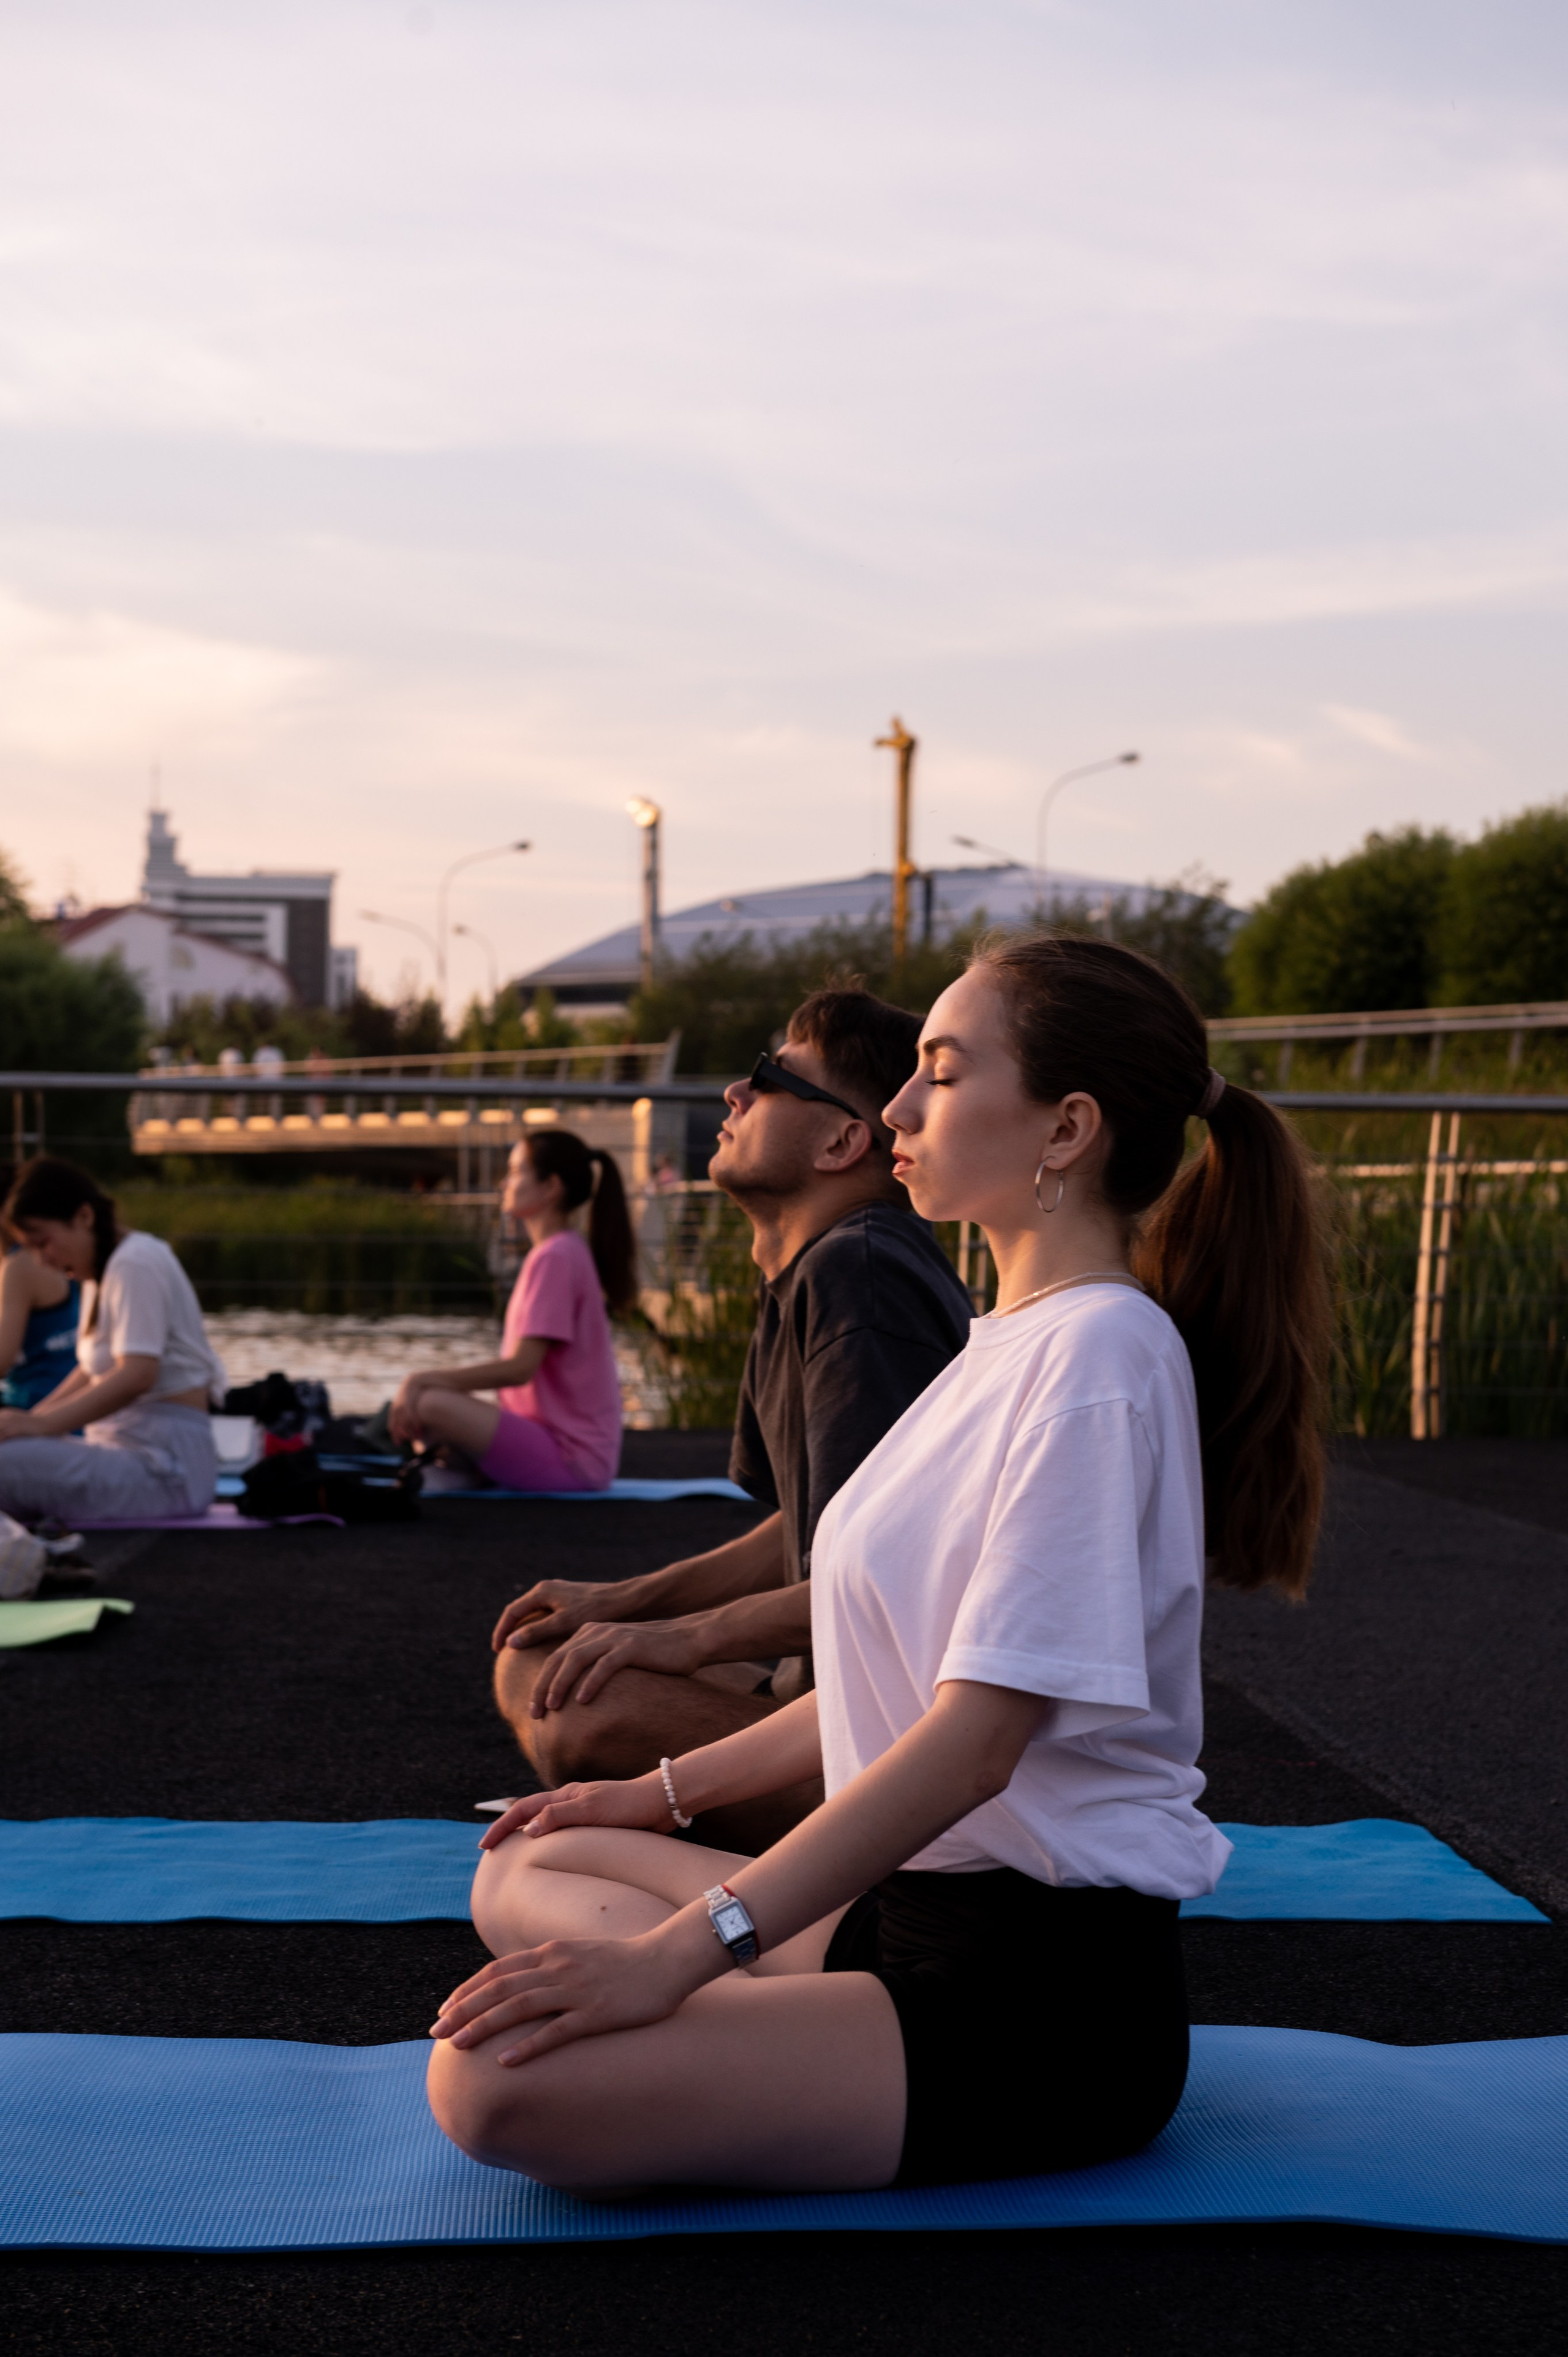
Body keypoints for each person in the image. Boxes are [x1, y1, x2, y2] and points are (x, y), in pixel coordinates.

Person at [426, 933, 1330, 2196]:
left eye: (942, 1075)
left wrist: (679, 1955)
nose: (898, 1107)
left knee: (491, 2081)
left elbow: (971, 1744)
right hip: (899, 1914)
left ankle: (771, 2026)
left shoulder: (1096, 1362)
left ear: (1065, 1129)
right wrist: (650, 1795)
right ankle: (765, 2011)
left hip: (1030, 1996)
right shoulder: (999, 1342)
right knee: (527, 1863)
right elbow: (880, 1682)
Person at [489, 987, 974, 1846]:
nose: (735, 1094)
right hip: (826, 1700)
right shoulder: (815, 1265)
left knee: (579, 1716)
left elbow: (881, 1583)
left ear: (841, 1139)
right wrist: (625, 1602)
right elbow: (811, 1525)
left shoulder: (860, 1278)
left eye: (771, 1076)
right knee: (541, 1657)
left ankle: (827, 1851)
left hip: (900, 1745)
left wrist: (684, 1637)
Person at [390, 1128, 634, 1495]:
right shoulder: (559, 1251)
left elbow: (522, 1368)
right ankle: (461, 1473)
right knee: (422, 1407)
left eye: (516, 1171)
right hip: (555, 1443)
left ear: (551, 1187)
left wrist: (423, 1378)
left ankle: (459, 1474)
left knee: (427, 1402)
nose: (505, 1182)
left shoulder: (557, 1257)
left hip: (572, 1458)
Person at [0, 1157, 226, 1523]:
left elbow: (137, 1374)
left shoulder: (135, 1262)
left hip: (164, 1468)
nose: (43, 1261)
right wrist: (27, 1424)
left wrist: (41, 1427)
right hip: (127, 1453)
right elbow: (91, 1371)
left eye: (45, 1243)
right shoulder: (101, 1272)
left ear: (84, 1217)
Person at [0, 1173, 80, 1410]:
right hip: (58, 1402)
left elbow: (2, 1359)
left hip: (36, 1402)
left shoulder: (20, 1265)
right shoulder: (41, 1255)